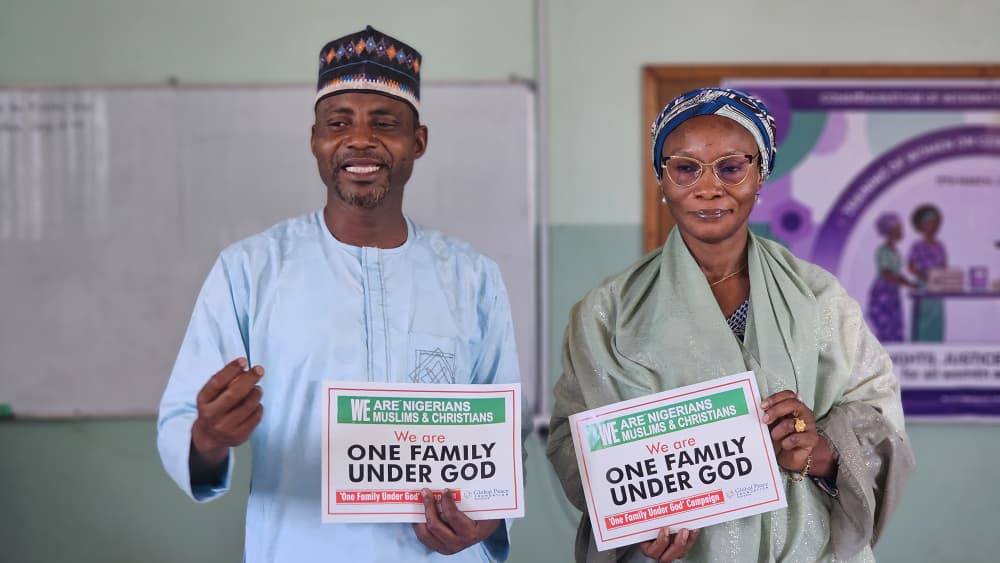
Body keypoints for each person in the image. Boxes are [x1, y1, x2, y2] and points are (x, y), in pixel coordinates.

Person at [157, 25, 522, 563]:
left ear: (417, 143)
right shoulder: (250, 270)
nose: (360, 140)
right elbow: (182, 423)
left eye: (384, 124)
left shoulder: (473, 278)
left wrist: (487, 517)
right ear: (315, 141)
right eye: (338, 123)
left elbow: (503, 438)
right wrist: (208, 437)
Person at [546, 88, 914, 563]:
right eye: (685, 168)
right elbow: (569, 441)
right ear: (662, 178)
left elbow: (879, 417)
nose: (709, 188)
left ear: (760, 175)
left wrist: (821, 451)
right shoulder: (608, 312)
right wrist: (636, 521)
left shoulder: (818, 298)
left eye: (732, 167)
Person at [867, 212, 916, 342]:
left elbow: (896, 274)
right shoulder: (883, 251)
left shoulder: (895, 250)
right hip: (883, 293)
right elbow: (887, 274)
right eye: (898, 229)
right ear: (890, 231)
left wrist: (909, 283)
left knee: (895, 328)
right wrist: (905, 283)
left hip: (893, 292)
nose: (901, 232)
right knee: (885, 327)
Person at [907, 203, 947, 341]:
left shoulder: (940, 246)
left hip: (938, 288)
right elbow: (910, 267)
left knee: (936, 321)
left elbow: (944, 266)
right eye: (930, 223)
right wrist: (924, 276)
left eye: (936, 223)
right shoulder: (917, 246)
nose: (933, 226)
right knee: (922, 321)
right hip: (923, 287)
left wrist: (941, 278)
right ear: (922, 226)